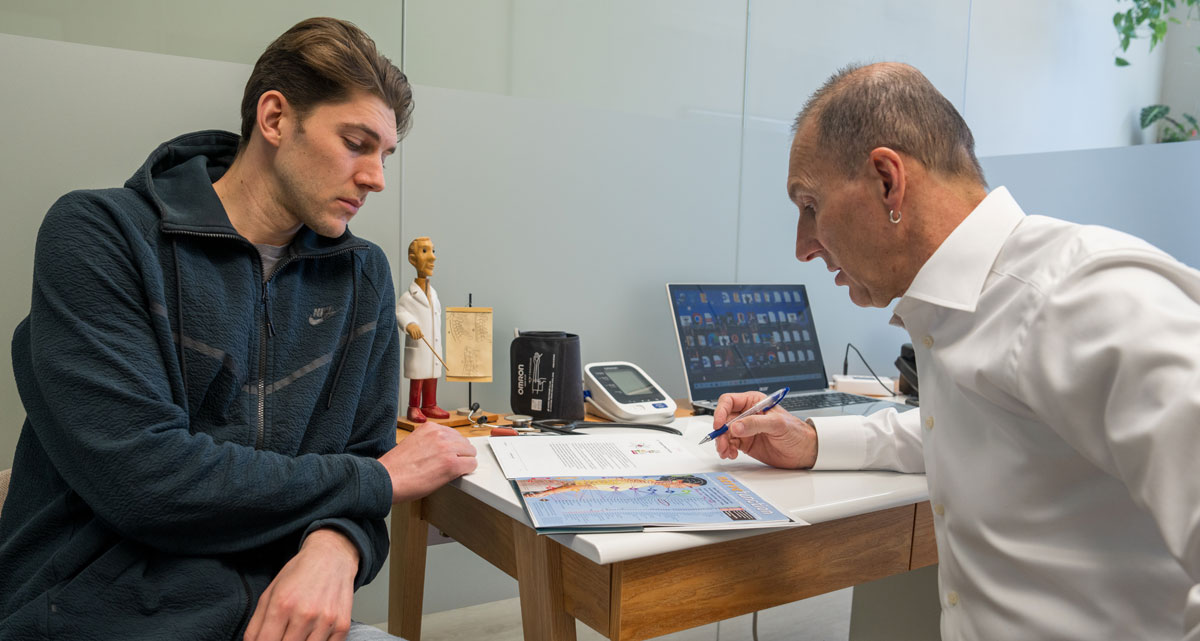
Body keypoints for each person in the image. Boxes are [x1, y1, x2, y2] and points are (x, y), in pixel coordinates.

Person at [0, 17, 477, 641]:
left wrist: (337, 548)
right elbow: (149, 483)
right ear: (275, 119)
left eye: (385, 155)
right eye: (357, 143)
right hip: (98, 619)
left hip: (276, 618)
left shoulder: (361, 275)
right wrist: (379, 482)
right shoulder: (100, 237)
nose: (376, 178)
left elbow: (357, 462)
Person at [713, 62, 1200, 640]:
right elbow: (971, 429)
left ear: (887, 181)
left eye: (810, 205)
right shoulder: (963, 308)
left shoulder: (1082, 296)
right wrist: (813, 441)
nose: (803, 246)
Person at [395, 237, 450, 423]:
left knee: (432, 375)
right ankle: (414, 407)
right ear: (412, 259)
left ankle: (430, 404)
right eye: (425, 251)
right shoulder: (408, 296)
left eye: (433, 251)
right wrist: (409, 324)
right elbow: (400, 312)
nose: (432, 257)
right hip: (419, 345)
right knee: (418, 377)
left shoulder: (434, 294)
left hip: (432, 345)